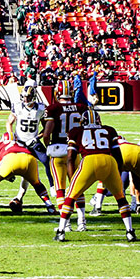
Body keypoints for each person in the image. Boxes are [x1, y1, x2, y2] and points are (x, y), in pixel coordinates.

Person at [55, 109, 136, 242]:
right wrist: (118, 172)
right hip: (108, 161)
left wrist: (72, 178)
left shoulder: (76, 131)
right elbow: (118, 155)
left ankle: (61, 231)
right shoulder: (109, 130)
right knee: (120, 197)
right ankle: (130, 231)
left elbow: (70, 158)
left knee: (71, 195)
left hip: (89, 161)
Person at [43, 80, 88, 230]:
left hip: (58, 150)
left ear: (58, 93)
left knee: (60, 188)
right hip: (74, 151)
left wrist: (47, 143)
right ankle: (82, 221)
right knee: (77, 186)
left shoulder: (53, 108)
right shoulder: (81, 107)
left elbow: (47, 133)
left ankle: (66, 223)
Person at [89, 135, 140, 217]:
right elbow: (136, 182)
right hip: (138, 153)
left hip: (120, 154)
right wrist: (138, 203)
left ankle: (97, 208)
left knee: (104, 180)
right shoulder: (132, 145)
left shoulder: (107, 145)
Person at [0, 133, 54, 215]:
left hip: (11, 158)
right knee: (37, 184)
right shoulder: (22, 142)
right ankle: (50, 207)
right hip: (30, 159)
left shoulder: (0, 145)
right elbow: (25, 179)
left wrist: (7, 177)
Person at [5, 85, 53, 206]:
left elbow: (46, 128)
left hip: (33, 142)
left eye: (28, 97)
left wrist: (37, 138)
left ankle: (53, 187)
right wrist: (11, 136)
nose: (26, 99)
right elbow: (9, 122)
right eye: (24, 97)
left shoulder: (40, 109)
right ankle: (0, 182)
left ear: (34, 96)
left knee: (47, 161)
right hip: (19, 143)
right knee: (5, 161)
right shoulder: (17, 106)